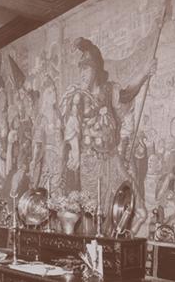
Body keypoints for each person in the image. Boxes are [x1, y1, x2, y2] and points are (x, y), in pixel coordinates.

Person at [59, 37, 156, 208]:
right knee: (93, 207)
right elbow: (72, 123)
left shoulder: (110, 89)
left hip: (112, 157)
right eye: (81, 69)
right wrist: (75, 150)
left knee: (135, 202)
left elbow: (127, 95)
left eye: (86, 69)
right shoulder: (78, 95)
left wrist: (145, 73)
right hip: (89, 160)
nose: (82, 74)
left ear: (96, 69)